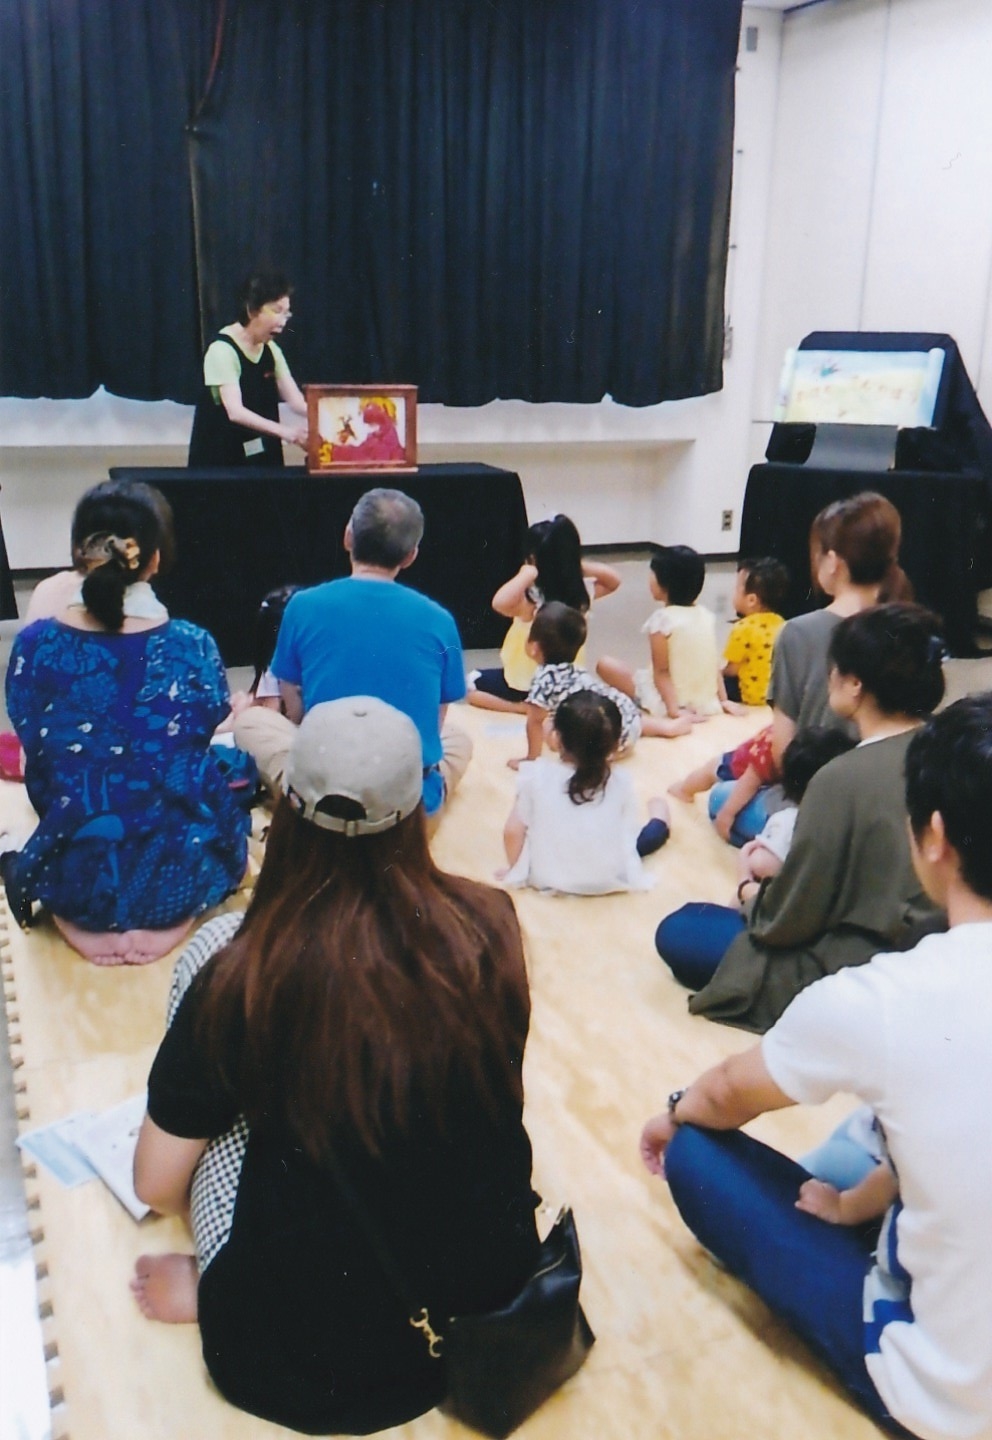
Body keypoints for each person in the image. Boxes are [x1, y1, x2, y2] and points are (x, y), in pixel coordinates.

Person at [130, 697, 540, 1435]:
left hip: (293, 1354)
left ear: (286, 807)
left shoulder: (243, 969)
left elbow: (155, 1186)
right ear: (417, 809)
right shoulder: (490, 924)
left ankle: (218, 1282)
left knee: (213, 968)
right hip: (476, 1308)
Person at [640, 694, 992, 1440]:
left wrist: (674, 1111)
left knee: (697, 1151)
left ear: (934, 836)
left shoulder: (890, 996)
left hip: (948, 1398)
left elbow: (726, 1091)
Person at [655, 604, 945, 1032]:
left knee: (680, 930)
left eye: (834, 669)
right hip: (938, 947)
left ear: (855, 684)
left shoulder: (841, 778)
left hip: (862, 965)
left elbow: (789, 919)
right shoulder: (945, 746)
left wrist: (747, 889)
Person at [4, 482, 248, 965]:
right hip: (176, 881)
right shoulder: (193, 645)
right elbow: (201, 733)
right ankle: (165, 917)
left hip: (76, 883)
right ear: (154, 559)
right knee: (215, 776)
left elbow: (37, 751)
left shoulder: (36, 646)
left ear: (79, 554)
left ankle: (81, 918)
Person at [233, 488, 472, 826]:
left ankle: (296, 813)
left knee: (251, 722)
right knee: (458, 739)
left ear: (348, 536)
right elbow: (436, 722)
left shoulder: (302, 606)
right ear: (410, 556)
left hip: (321, 801)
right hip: (405, 817)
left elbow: (296, 710)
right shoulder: (440, 620)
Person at [710, 492, 912, 843]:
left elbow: (783, 752)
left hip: (814, 797)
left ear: (832, 562)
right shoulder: (907, 624)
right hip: (888, 800)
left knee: (720, 797)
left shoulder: (799, 632)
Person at [501, 691, 670, 895]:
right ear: (616, 744)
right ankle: (660, 816)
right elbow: (624, 833)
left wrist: (516, 871)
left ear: (556, 738)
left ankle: (659, 816)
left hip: (547, 877)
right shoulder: (621, 780)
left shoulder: (535, 775)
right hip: (608, 877)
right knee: (647, 837)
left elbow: (512, 832)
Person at [469, 514, 621, 712]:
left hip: (524, 684)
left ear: (533, 558)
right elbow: (613, 580)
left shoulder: (531, 600)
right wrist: (569, 564)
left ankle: (522, 707)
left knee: (471, 683)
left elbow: (499, 603)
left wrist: (526, 574)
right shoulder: (579, 596)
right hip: (566, 681)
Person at [507, 603, 687, 770]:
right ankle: (666, 728)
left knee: (550, 729)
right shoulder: (577, 670)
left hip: (601, 746)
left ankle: (590, 759)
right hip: (627, 725)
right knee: (618, 712)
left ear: (534, 648)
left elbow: (534, 722)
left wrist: (532, 759)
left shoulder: (543, 679)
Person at [597, 544, 738, 724]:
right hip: (706, 702)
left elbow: (661, 672)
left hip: (672, 700)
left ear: (664, 583)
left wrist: (674, 711)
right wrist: (723, 700)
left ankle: (646, 705)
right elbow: (713, 665)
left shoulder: (662, 620)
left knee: (605, 665)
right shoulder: (706, 615)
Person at [187, 271, 308, 468]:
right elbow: (235, 412)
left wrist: (336, 417)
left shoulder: (271, 350)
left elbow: (296, 402)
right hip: (222, 457)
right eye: (276, 311)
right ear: (251, 310)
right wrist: (287, 432)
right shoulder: (222, 350)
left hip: (261, 451)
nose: (283, 322)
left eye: (286, 314)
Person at [721, 556, 789, 705]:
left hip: (752, 701)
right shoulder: (783, 624)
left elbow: (732, 670)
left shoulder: (743, 628)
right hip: (778, 701)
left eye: (737, 589)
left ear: (751, 600)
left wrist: (718, 672)